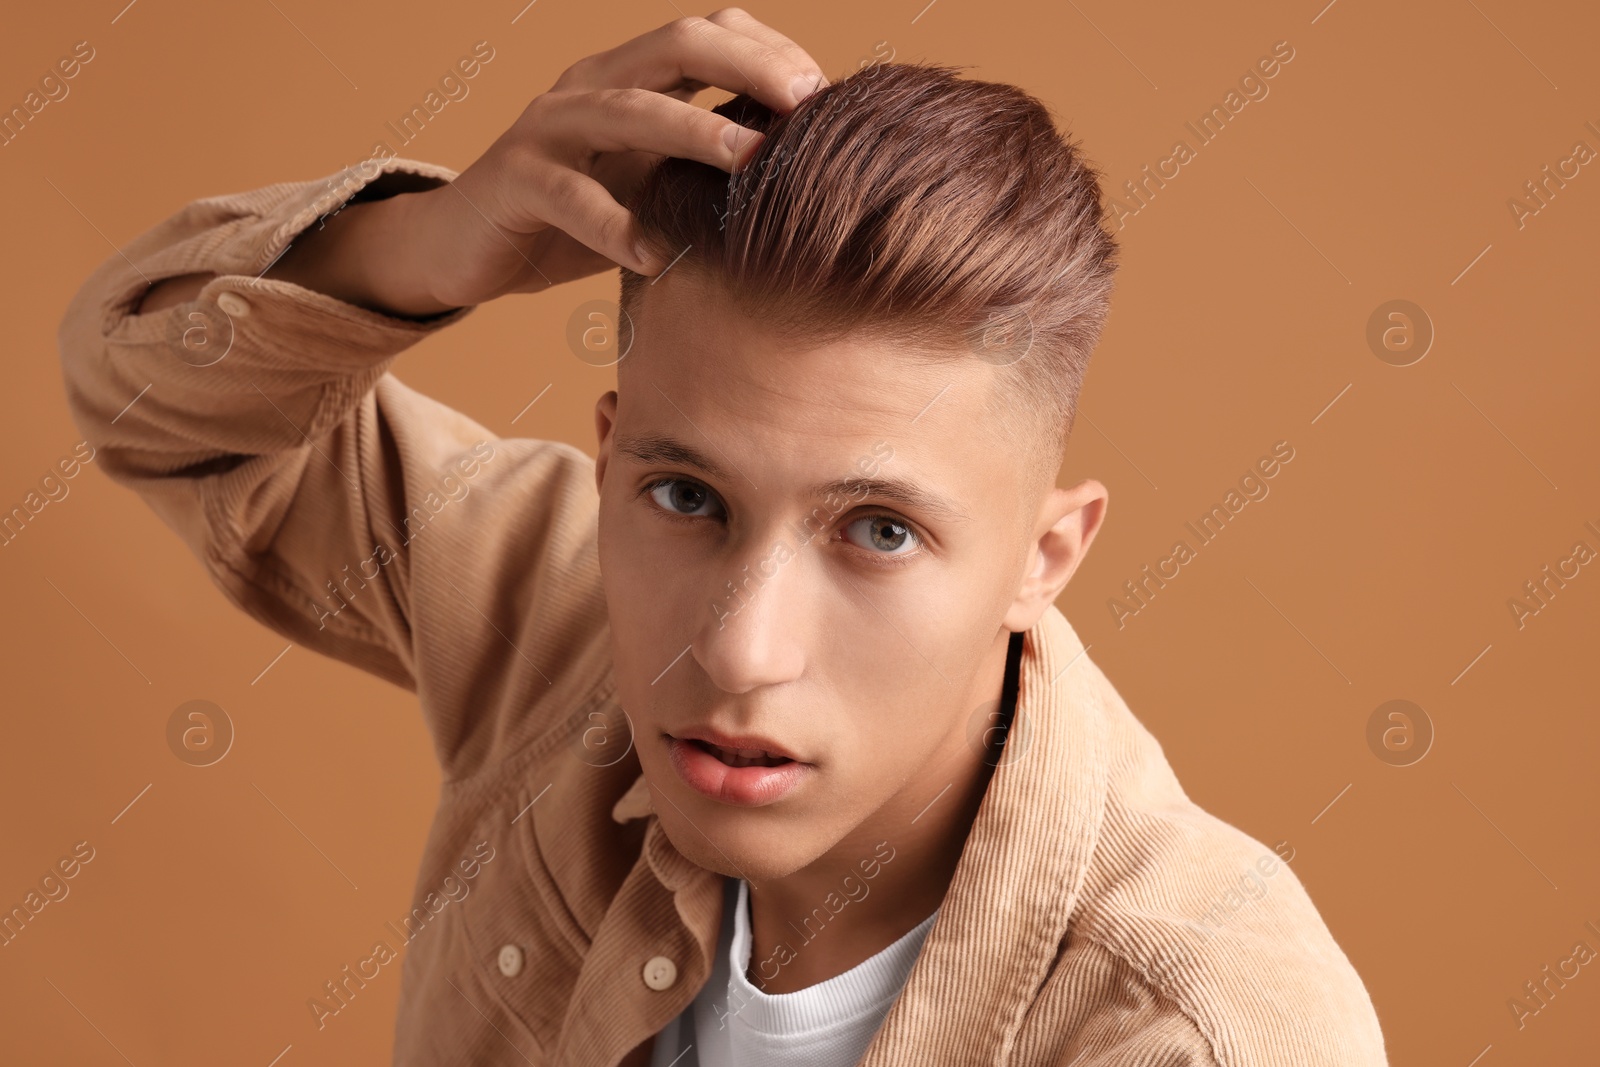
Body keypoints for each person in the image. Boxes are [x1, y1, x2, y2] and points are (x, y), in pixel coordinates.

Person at [56, 9, 1387, 1065]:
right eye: (687, 498)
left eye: (876, 530)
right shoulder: (560, 611)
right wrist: (427, 243)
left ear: (1046, 559)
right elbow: (152, 398)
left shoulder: (1188, 1036)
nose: (740, 652)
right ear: (610, 448)